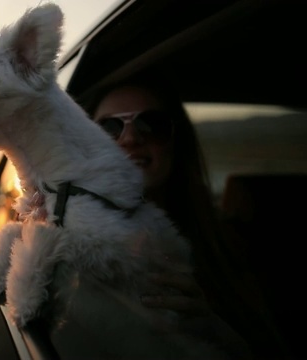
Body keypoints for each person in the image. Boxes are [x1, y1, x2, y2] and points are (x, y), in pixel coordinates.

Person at [86, 71, 287, 360]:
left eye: (152, 124)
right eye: (108, 128)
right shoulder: (74, 244)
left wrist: (218, 334)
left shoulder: (232, 246)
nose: (130, 137)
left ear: (177, 142)